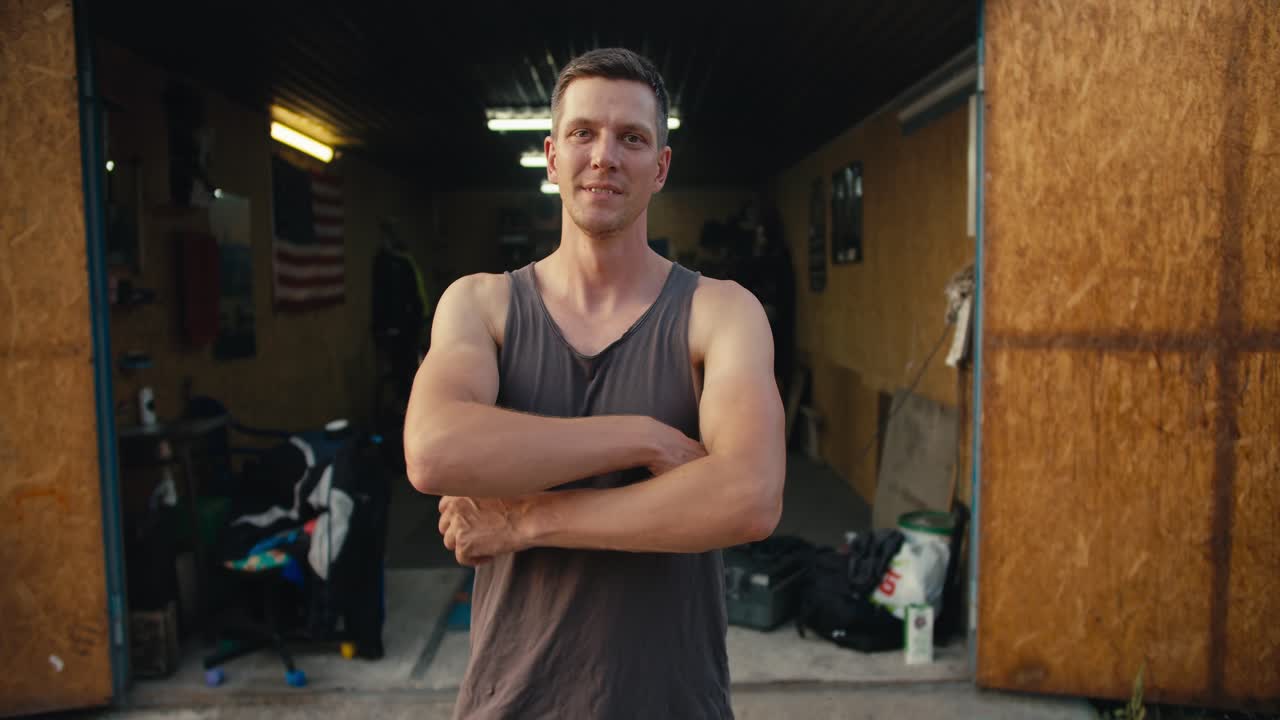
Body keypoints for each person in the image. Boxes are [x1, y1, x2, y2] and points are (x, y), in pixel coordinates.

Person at [403, 47, 785, 720]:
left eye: (632, 138)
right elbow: (434, 451)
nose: (605, 155)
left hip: (671, 702)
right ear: (553, 157)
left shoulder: (721, 312)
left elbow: (749, 497)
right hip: (513, 701)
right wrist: (641, 438)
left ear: (660, 167)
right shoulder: (482, 304)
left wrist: (527, 519)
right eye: (584, 133)